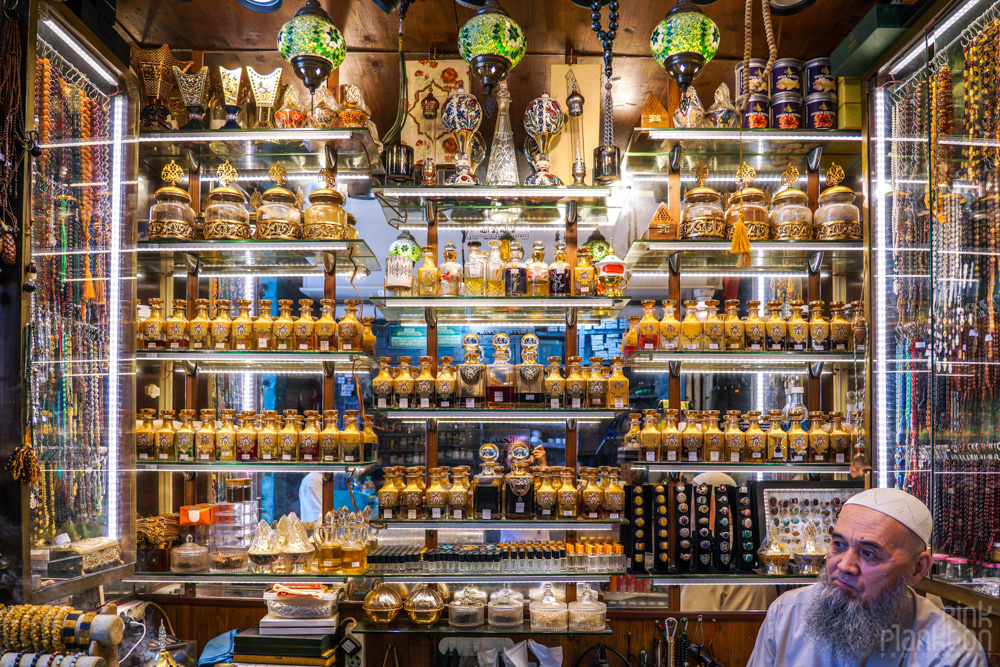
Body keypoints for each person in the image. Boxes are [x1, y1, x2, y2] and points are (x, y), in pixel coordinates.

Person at [747, 487, 988, 666]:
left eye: (869, 554)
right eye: (839, 544)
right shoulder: (786, 615)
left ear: (917, 569)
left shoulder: (950, 654)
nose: (845, 565)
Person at [680, 472, 778, 612]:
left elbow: (693, 621)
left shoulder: (709, 552)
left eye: (694, 500)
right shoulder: (754, 544)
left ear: (713, 504)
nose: (688, 510)